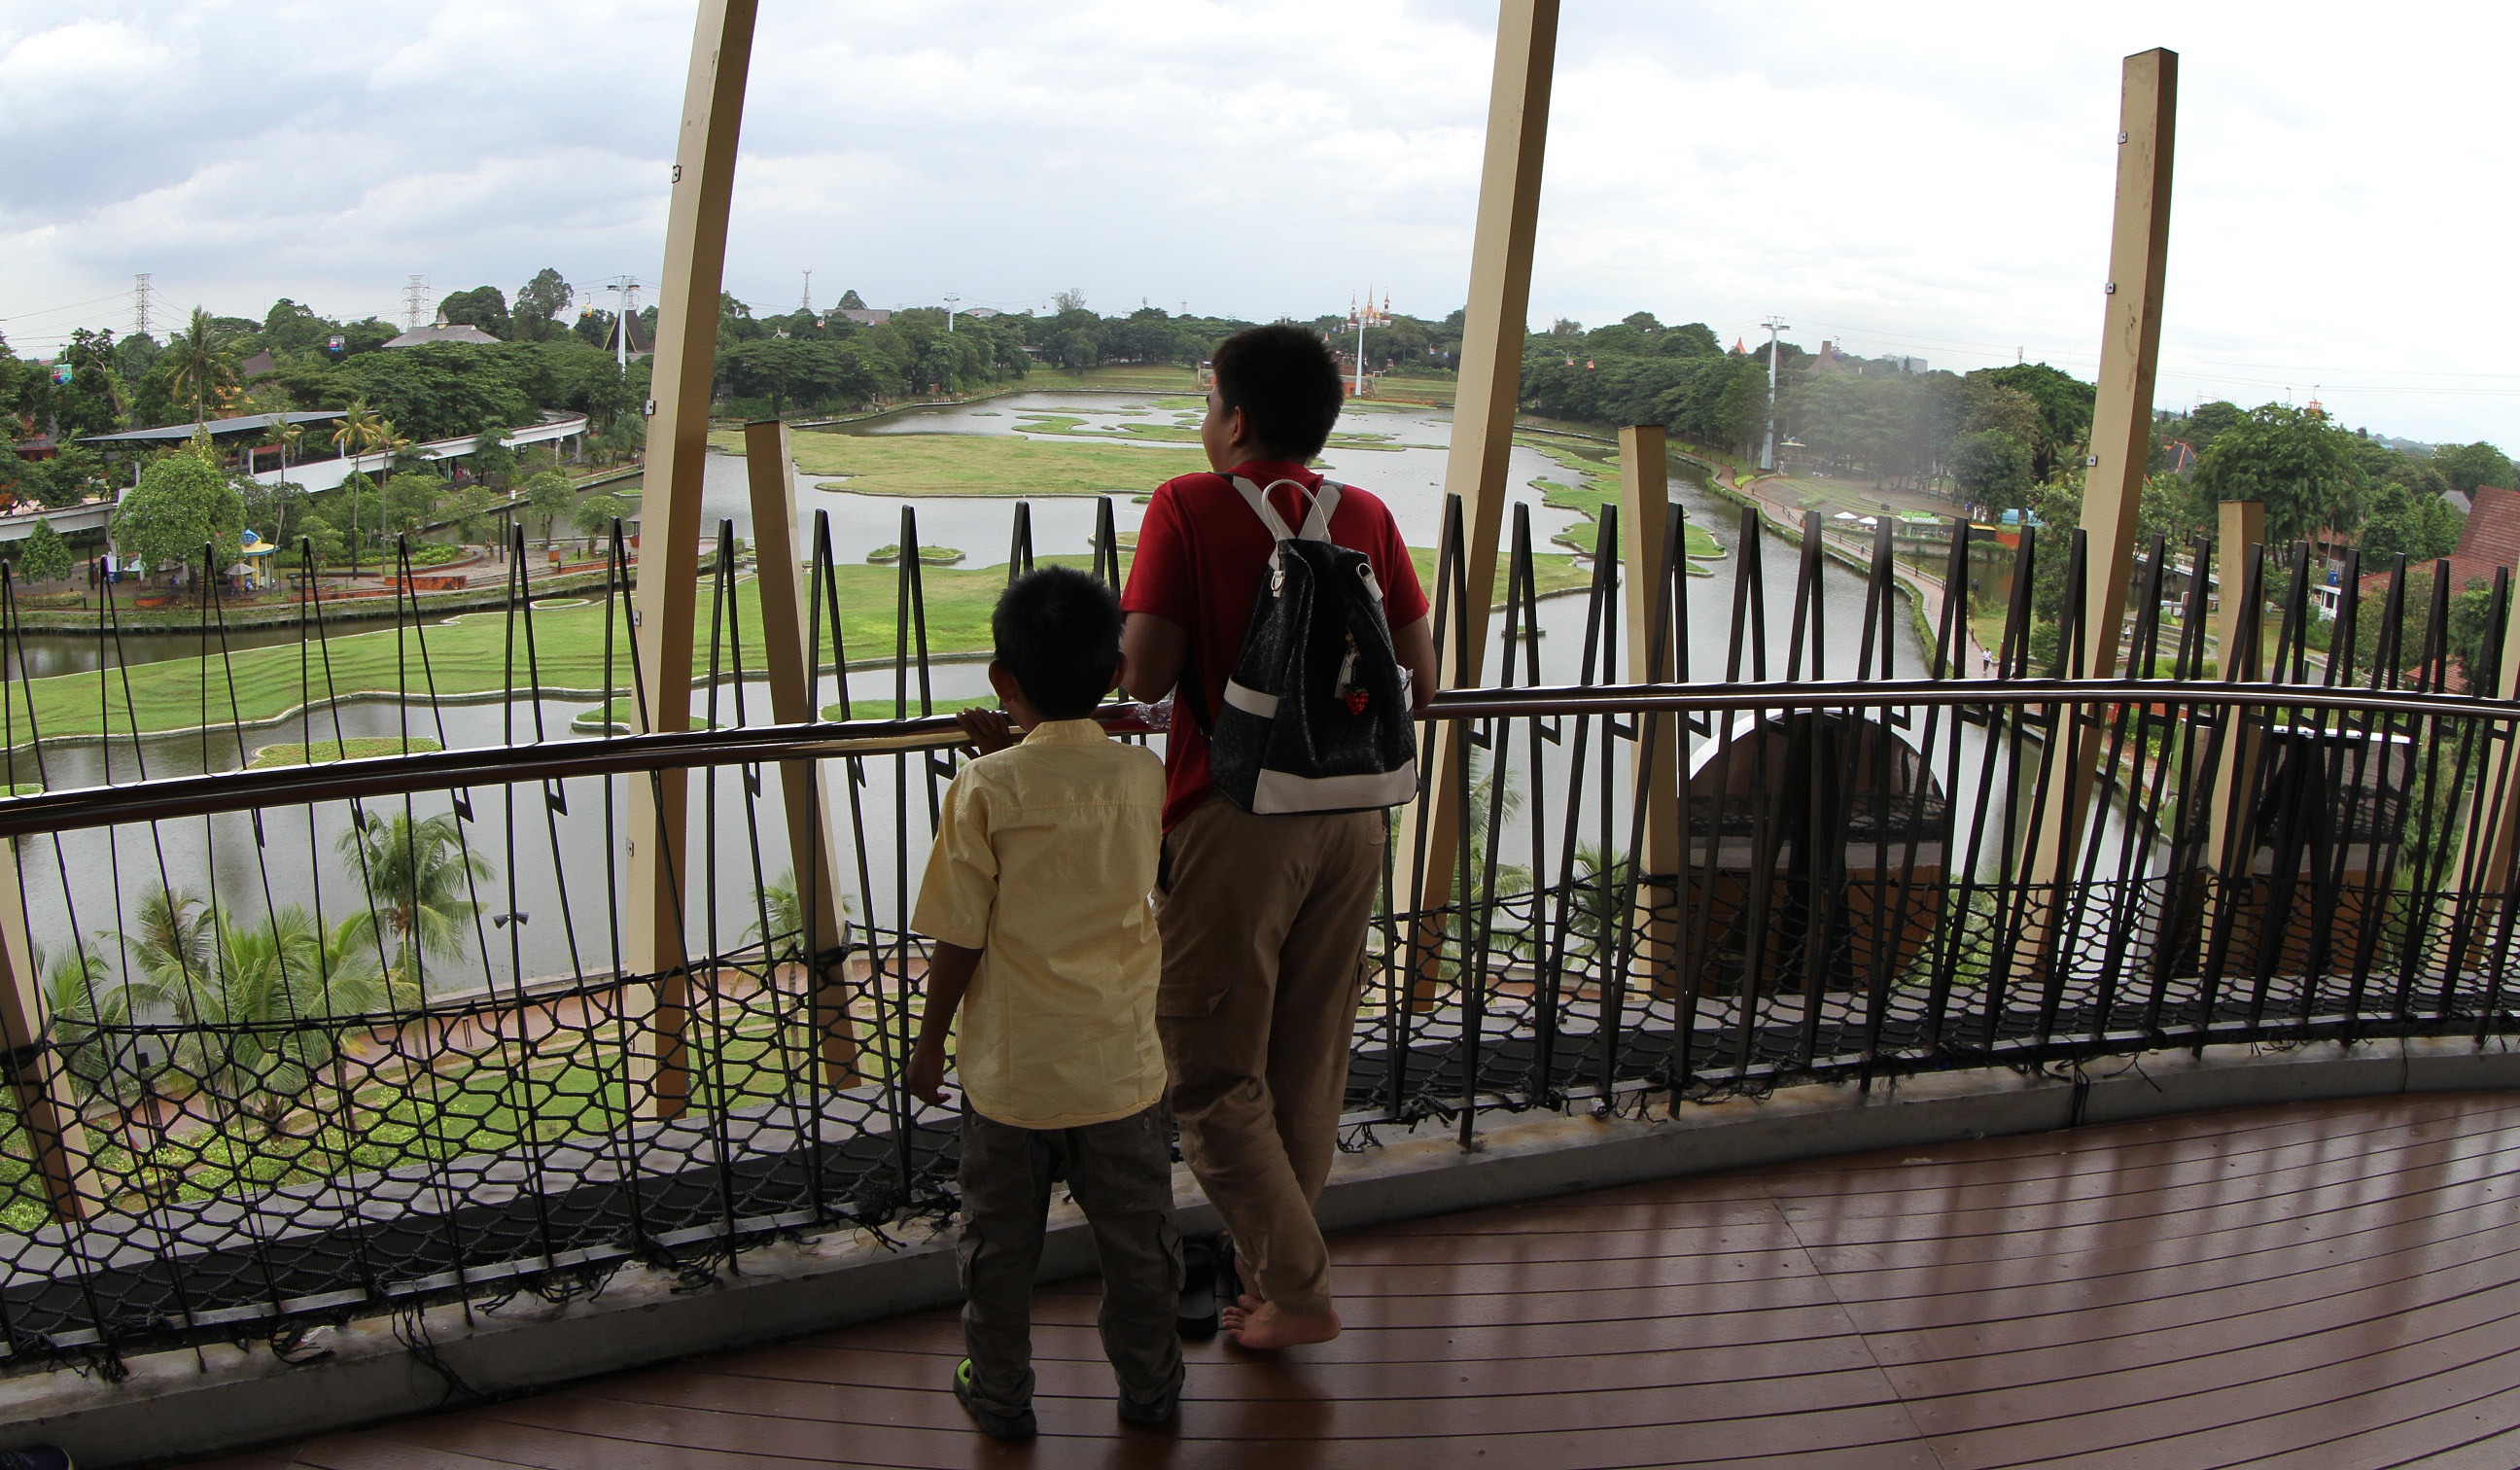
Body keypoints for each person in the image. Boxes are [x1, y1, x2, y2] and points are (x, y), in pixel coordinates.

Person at [1118, 324, 1438, 1349]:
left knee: (1210, 1070)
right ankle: (1264, 1284)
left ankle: (1298, 1291)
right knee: (1308, 1060)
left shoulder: (1188, 504)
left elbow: (1148, 676)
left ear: (1237, 417)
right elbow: (1423, 679)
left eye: (1210, 403)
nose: (1204, 423)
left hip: (1236, 816)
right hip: (1354, 820)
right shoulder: (1370, 515)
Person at [906, 566, 1182, 1441]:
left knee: (998, 1252)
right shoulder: (1142, 780)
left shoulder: (985, 789)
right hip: (1119, 1073)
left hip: (1013, 1078)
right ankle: (1150, 1387)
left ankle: (1000, 1396)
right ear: (1112, 673)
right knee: (1139, 1247)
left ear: (1003, 682)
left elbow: (961, 933)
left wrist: (925, 1048)